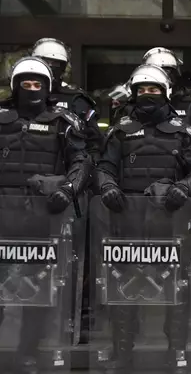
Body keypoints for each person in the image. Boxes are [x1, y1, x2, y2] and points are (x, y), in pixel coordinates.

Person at [94, 64, 191, 373]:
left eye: (154, 90)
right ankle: (122, 350)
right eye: (142, 90)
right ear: (133, 94)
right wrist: (106, 184)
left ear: (166, 93)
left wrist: (184, 187)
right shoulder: (120, 131)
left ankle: (176, 350)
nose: (148, 94)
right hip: (128, 224)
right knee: (125, 288)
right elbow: (104, 166)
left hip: (170, 224)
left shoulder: (185, 132)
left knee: (177, 290)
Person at [0, 56, 91, 373]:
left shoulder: (62, 122)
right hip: (1, 214)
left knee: (37, 290)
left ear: (49, 87)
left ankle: (28, 352)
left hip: (42, 219)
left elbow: (82, 163)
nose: (32, 89)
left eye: (38, 84)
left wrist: (67, 189)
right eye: (26, 83)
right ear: (15, 86)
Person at [31, 38, 103, 161]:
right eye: (46, 62)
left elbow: (94, 143)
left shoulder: (76, 100)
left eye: (55, 63)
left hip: (65, 169)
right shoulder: (20, 95)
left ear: (63, 68)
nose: (50, 68)